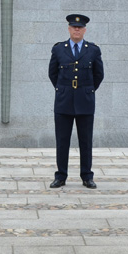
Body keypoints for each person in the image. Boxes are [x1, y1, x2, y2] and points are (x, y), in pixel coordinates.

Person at [48, 14, 104, 189]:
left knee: (85, 141)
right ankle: (61, 176)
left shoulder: (93, 50)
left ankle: (87, 176)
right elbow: (52, 74)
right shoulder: (58, 49)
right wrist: (62, 89)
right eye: (73, 27)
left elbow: (99, 75)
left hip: (85, 101)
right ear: (69, 29)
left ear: (85, 30)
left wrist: (88, 90)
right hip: (64, 101)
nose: (76, 29)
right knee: (62, 141)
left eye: (80, 27)